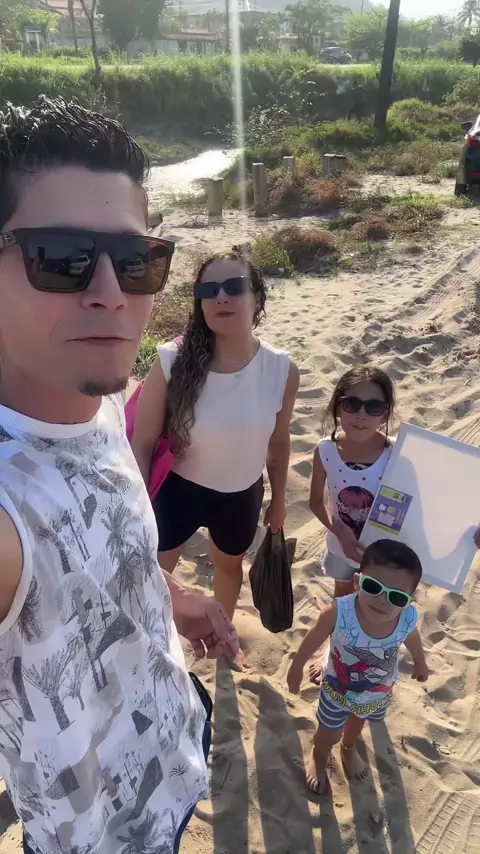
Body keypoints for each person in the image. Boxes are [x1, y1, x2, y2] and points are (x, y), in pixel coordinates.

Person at [0, 97, 238, 854]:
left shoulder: (95, 392)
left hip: (177, 751)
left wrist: (167, 597)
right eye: (60, 256)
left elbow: (96, 544)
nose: (110, 291)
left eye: (136, 261)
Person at [132, 253, 300, 623]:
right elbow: (142, 443)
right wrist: (138, 506)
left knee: (229, 568)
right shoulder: (172, 361)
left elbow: (278, 442)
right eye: (209, 290)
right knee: (154, 576)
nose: (221, 297)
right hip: (177, 491)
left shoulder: (281, 369)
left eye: (234, 287)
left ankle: (221, 637)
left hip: (241, 494)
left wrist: (278, 501)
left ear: (257, 297)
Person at [287, 539, 428, 793]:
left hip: (375, 691)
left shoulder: (405, 618)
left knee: (357, 723)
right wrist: (297, 666)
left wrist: (420, 661)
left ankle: (348, 748)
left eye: (396, 596)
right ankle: (320, 754)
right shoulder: (338, 613)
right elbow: (313, 638)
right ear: (357, 582)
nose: (382, 600)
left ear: (407, 601)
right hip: (337, 691)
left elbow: (412, 637)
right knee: (329, 730)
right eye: (373, 586)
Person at [308, 366, 396, 684]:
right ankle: (332, 651)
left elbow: (427, 502)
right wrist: (340, 533)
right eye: (352, 403)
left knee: (379, 610)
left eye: (374, 407)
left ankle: (367, 658)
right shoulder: (326, 450)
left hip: (383, 556)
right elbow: (315, 503)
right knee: (343, 601)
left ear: (386, 413)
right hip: (341, 548)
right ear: (338, 406)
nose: (361, 414)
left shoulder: (396, 453)